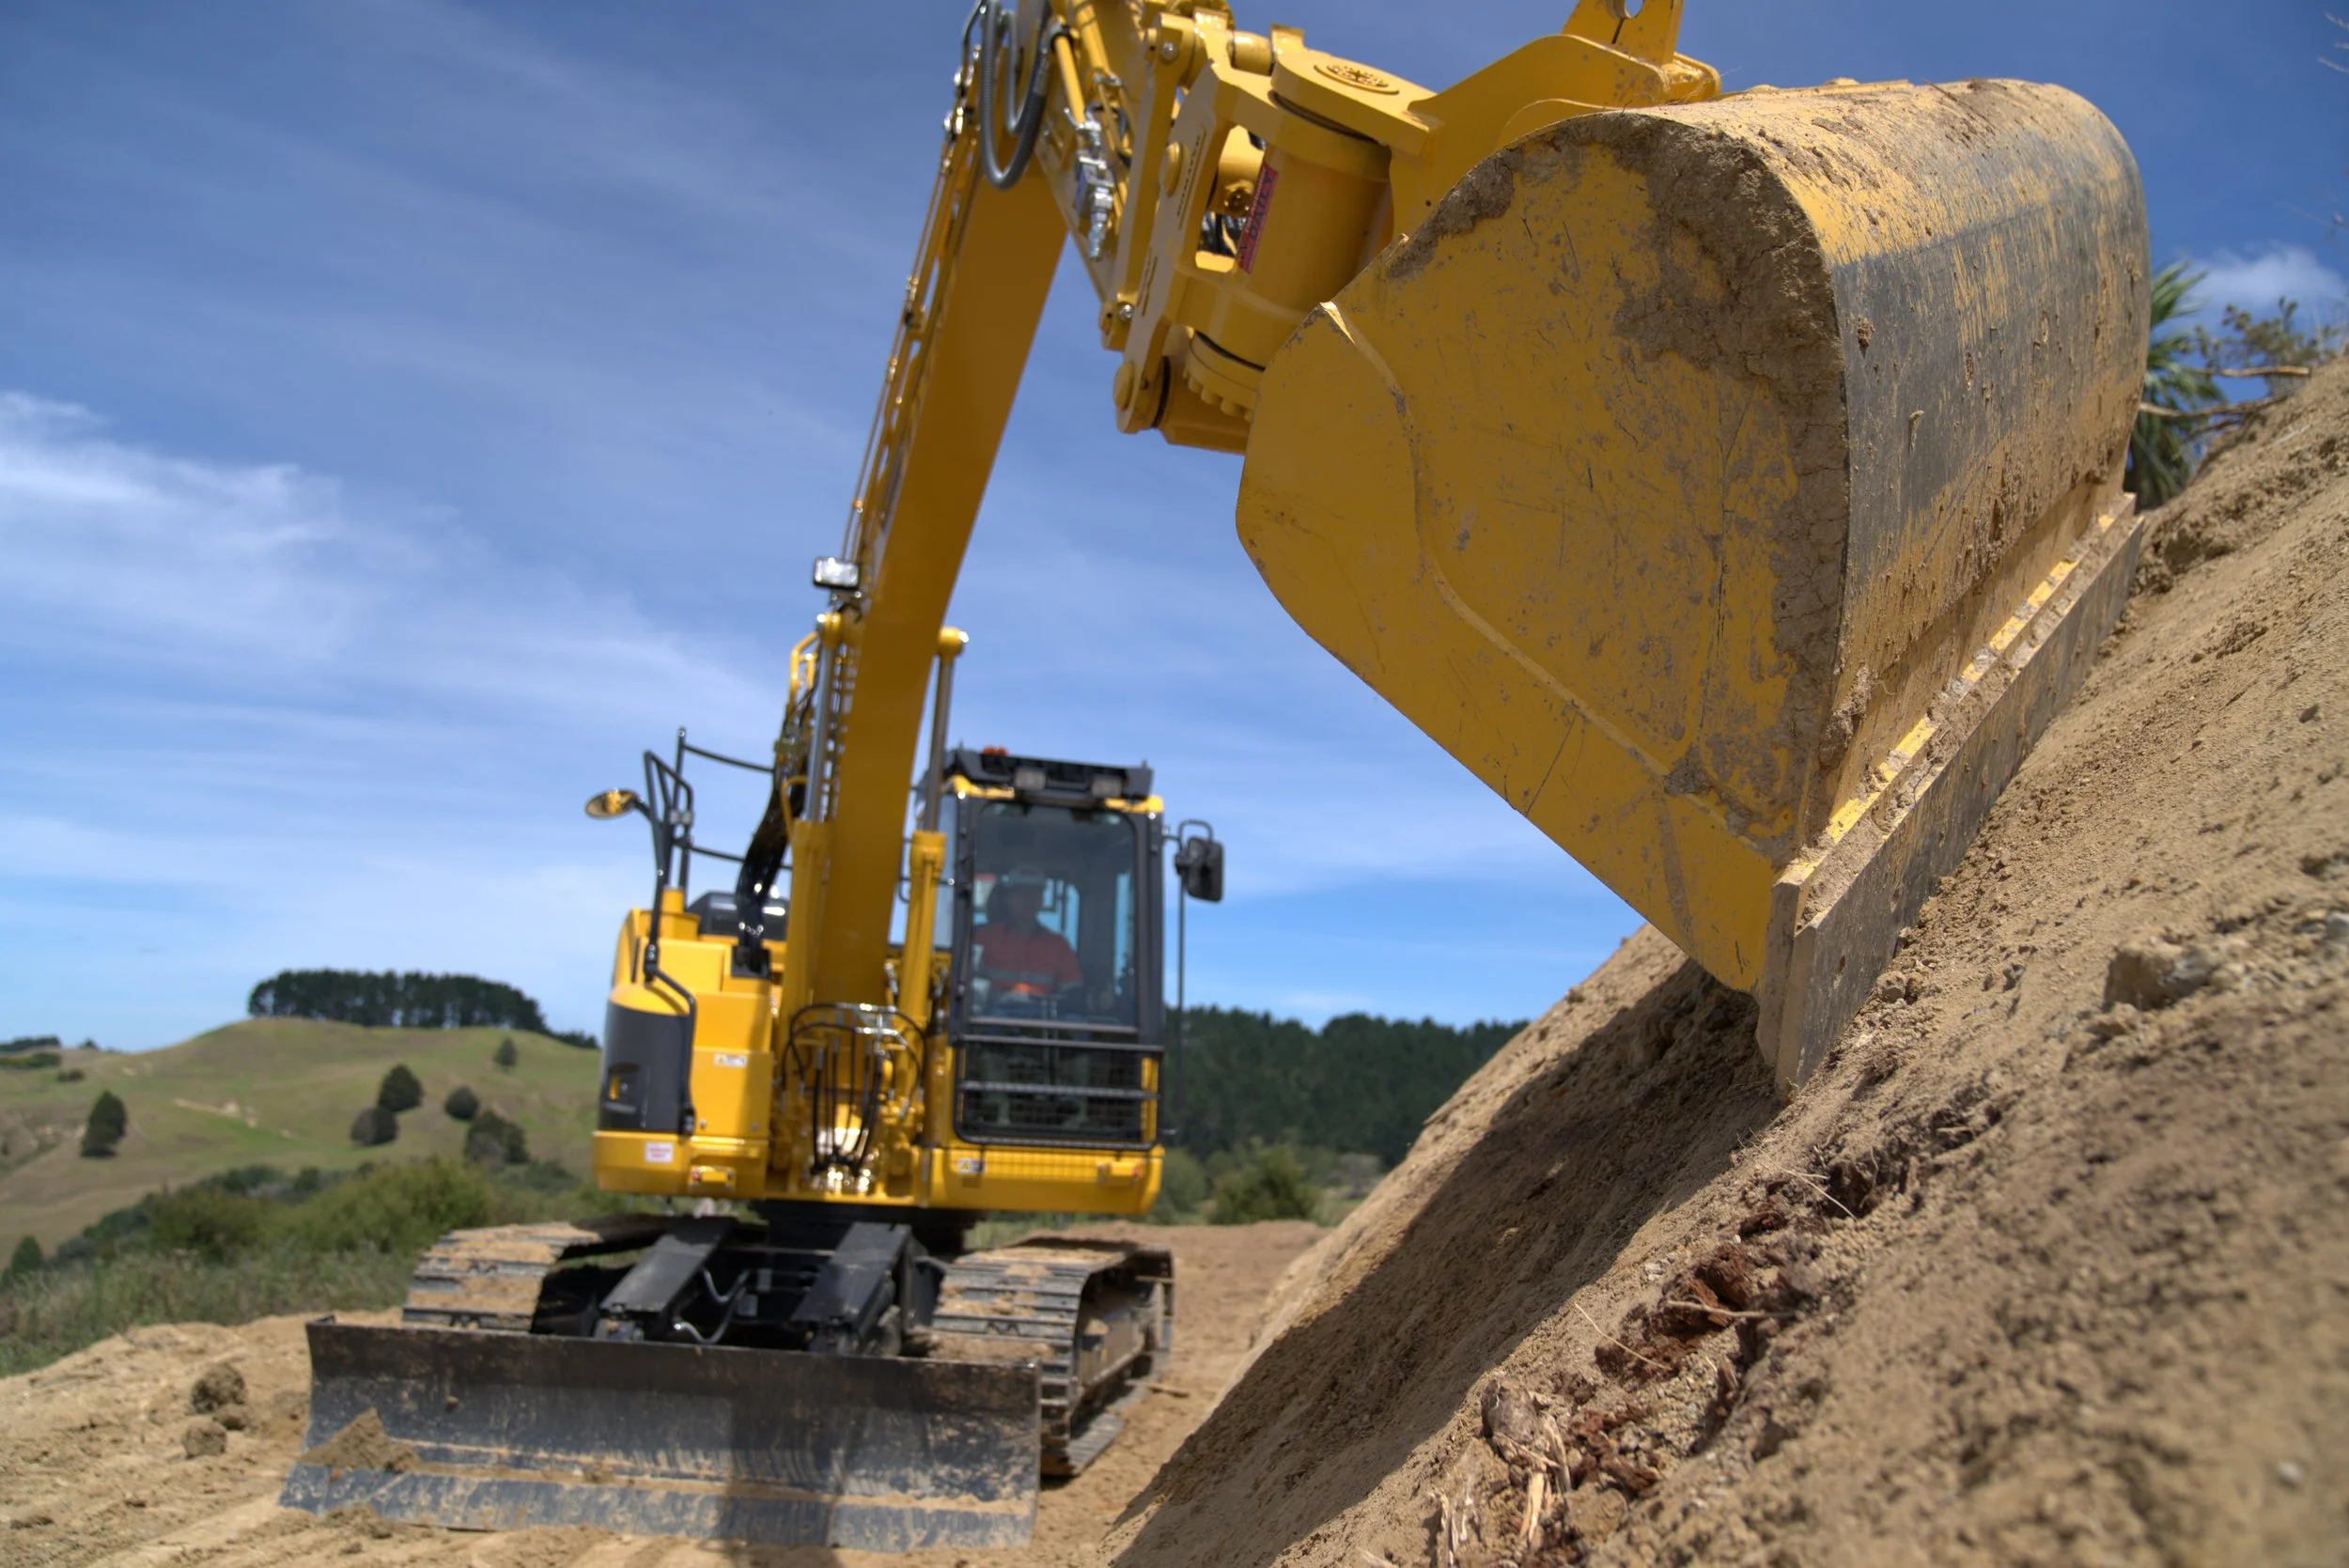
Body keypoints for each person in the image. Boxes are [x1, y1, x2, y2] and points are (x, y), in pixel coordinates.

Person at [974, 874, 1082, 1002]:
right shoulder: (983, 938)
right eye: (1022, 894)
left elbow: (1073, 993)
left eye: (1035, 894)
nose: (1029, 900)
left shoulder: (1058, 946)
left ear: (1042, 900)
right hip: (988, 1017)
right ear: (1009, 898)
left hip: (1042, 1019)